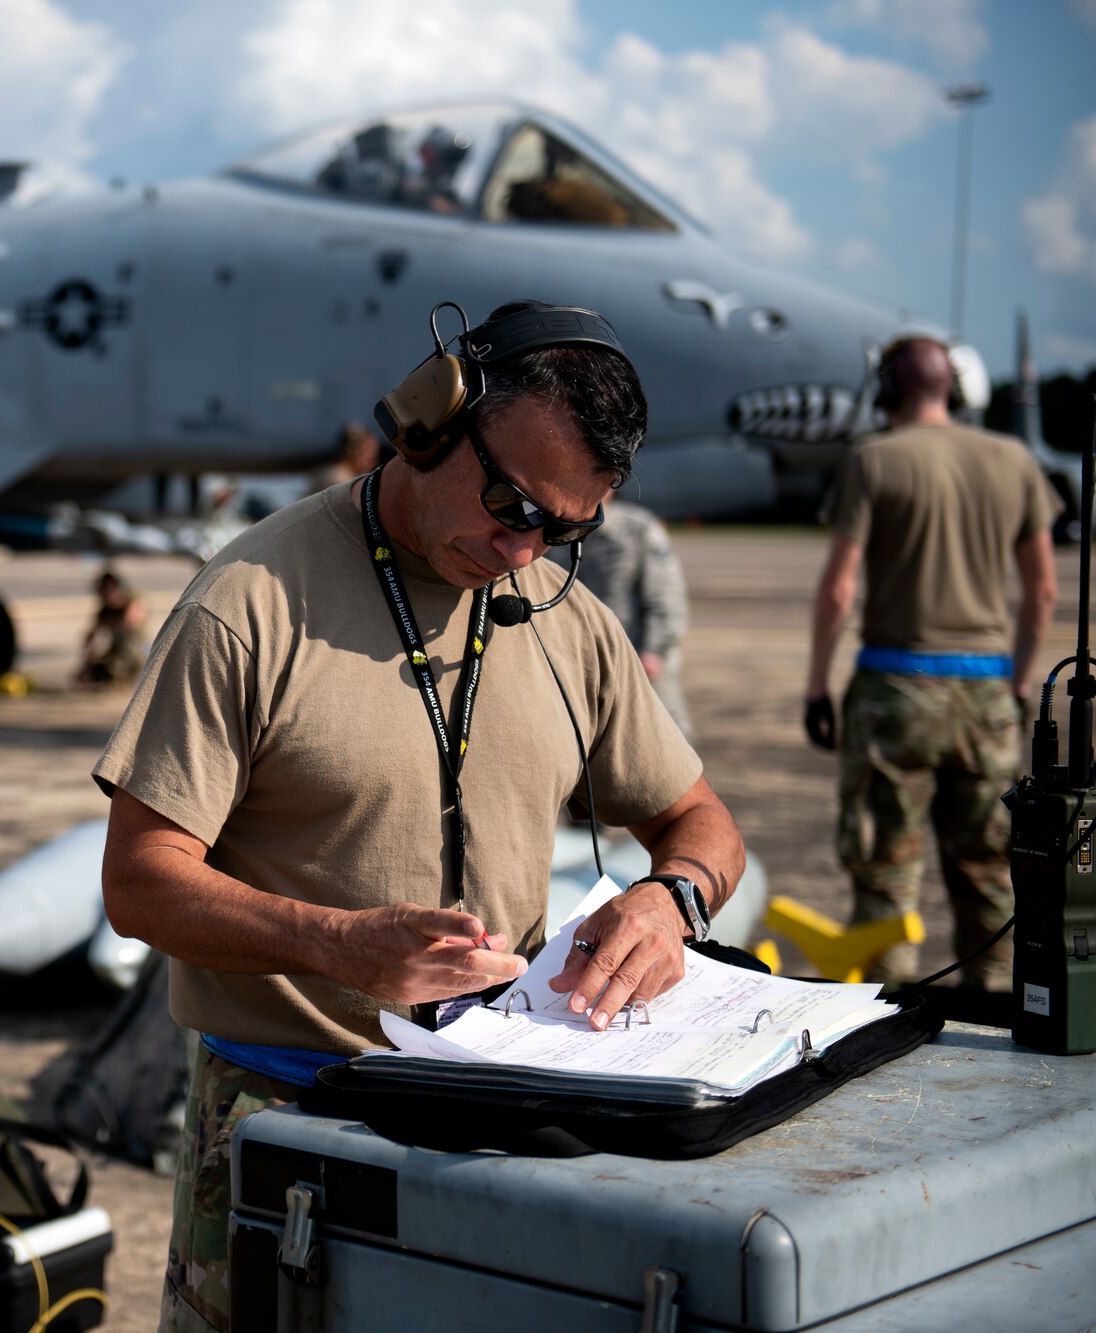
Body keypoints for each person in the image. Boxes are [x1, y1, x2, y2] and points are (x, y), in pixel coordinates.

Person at [96, 300, 746, 1333]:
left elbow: (699, 818)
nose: (522, 552)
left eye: (562, 531)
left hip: (504, 1122)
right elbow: (136, 880)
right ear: (427, 423)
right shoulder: (248, 602)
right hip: (285, 1128)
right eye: (509, 504)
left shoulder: (563, 620)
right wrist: (336, 943)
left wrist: (670, 901)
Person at [804, 336, 1058, 989]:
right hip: (987, 695)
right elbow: (1045, 591)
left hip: (894, 690)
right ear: (958, 390)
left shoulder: (872, 459)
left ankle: (887, 1017)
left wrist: (816, 687)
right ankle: (998, 1013)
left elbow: (838, 589)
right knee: (990, 876)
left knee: (886, 876)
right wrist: (1020, 681)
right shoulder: (1014, 459)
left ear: (887, 393)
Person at [555, 500, 694, 739]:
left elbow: (666, 596)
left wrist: (653, 651)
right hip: (580, 663)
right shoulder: (557, 528)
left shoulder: (637, 529)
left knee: (662, 741)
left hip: (641, 662)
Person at [75, 568, 148, 687]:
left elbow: (129, 621)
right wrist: (86, 665)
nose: (108, 595)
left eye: (110, 590)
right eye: (104, 591)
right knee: (98, 670)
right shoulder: (105, 611)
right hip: (117, 652)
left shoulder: (132, 600)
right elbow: (92, 639)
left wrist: (104, 624)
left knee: (119, 663)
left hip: (138, 652)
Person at [307, 419, 382, 495]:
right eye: (371, 457)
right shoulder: (340, 481)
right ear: (355, 452)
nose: (373, 463)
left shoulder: (327, 472)